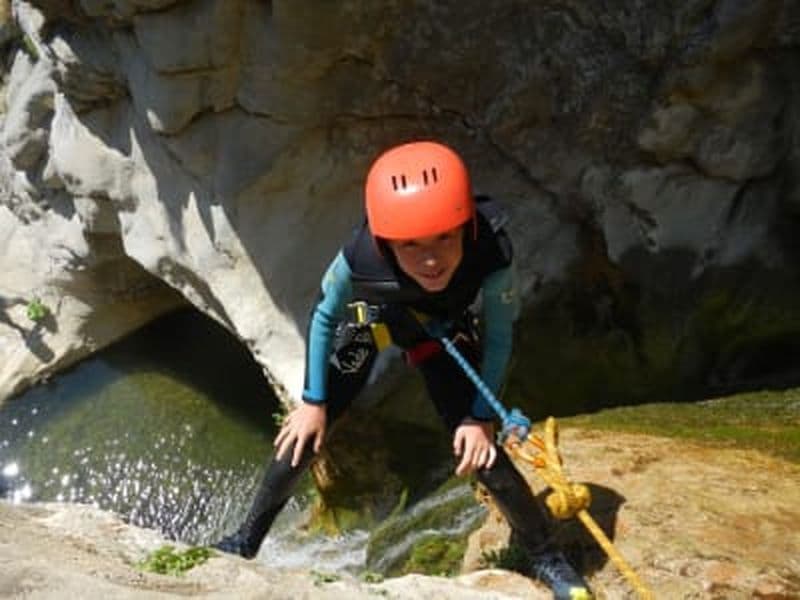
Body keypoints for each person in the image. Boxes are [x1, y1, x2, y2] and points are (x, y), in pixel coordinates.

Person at [215, 141, 592, 600]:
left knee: (484, 454)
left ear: (467, 227)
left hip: (438, 336)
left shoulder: (490, 252)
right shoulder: (359, 256)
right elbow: (324, 316)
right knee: (304, 433)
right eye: (410, 245)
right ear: (384, 242)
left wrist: (479, 416)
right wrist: (313, 402)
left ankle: (547, 559)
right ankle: (243, 542)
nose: (430, 260)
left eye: (444, 239)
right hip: (373, 322)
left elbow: (499, 337)